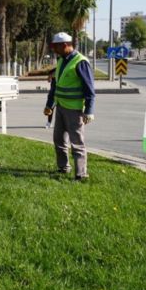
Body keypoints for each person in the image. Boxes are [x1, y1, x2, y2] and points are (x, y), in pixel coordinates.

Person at [43, 32, 95, 180]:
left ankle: (81, 174)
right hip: (60, 107)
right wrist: (49, 105)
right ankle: (63, 168)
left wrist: (89, 111)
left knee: (77, 143)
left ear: (65, 45)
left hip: (75, 110)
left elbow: (89, 88)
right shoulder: (61, 60)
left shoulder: (80, 62)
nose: (54, 50)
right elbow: (55, 86)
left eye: (56, 47)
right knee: (59, 140)